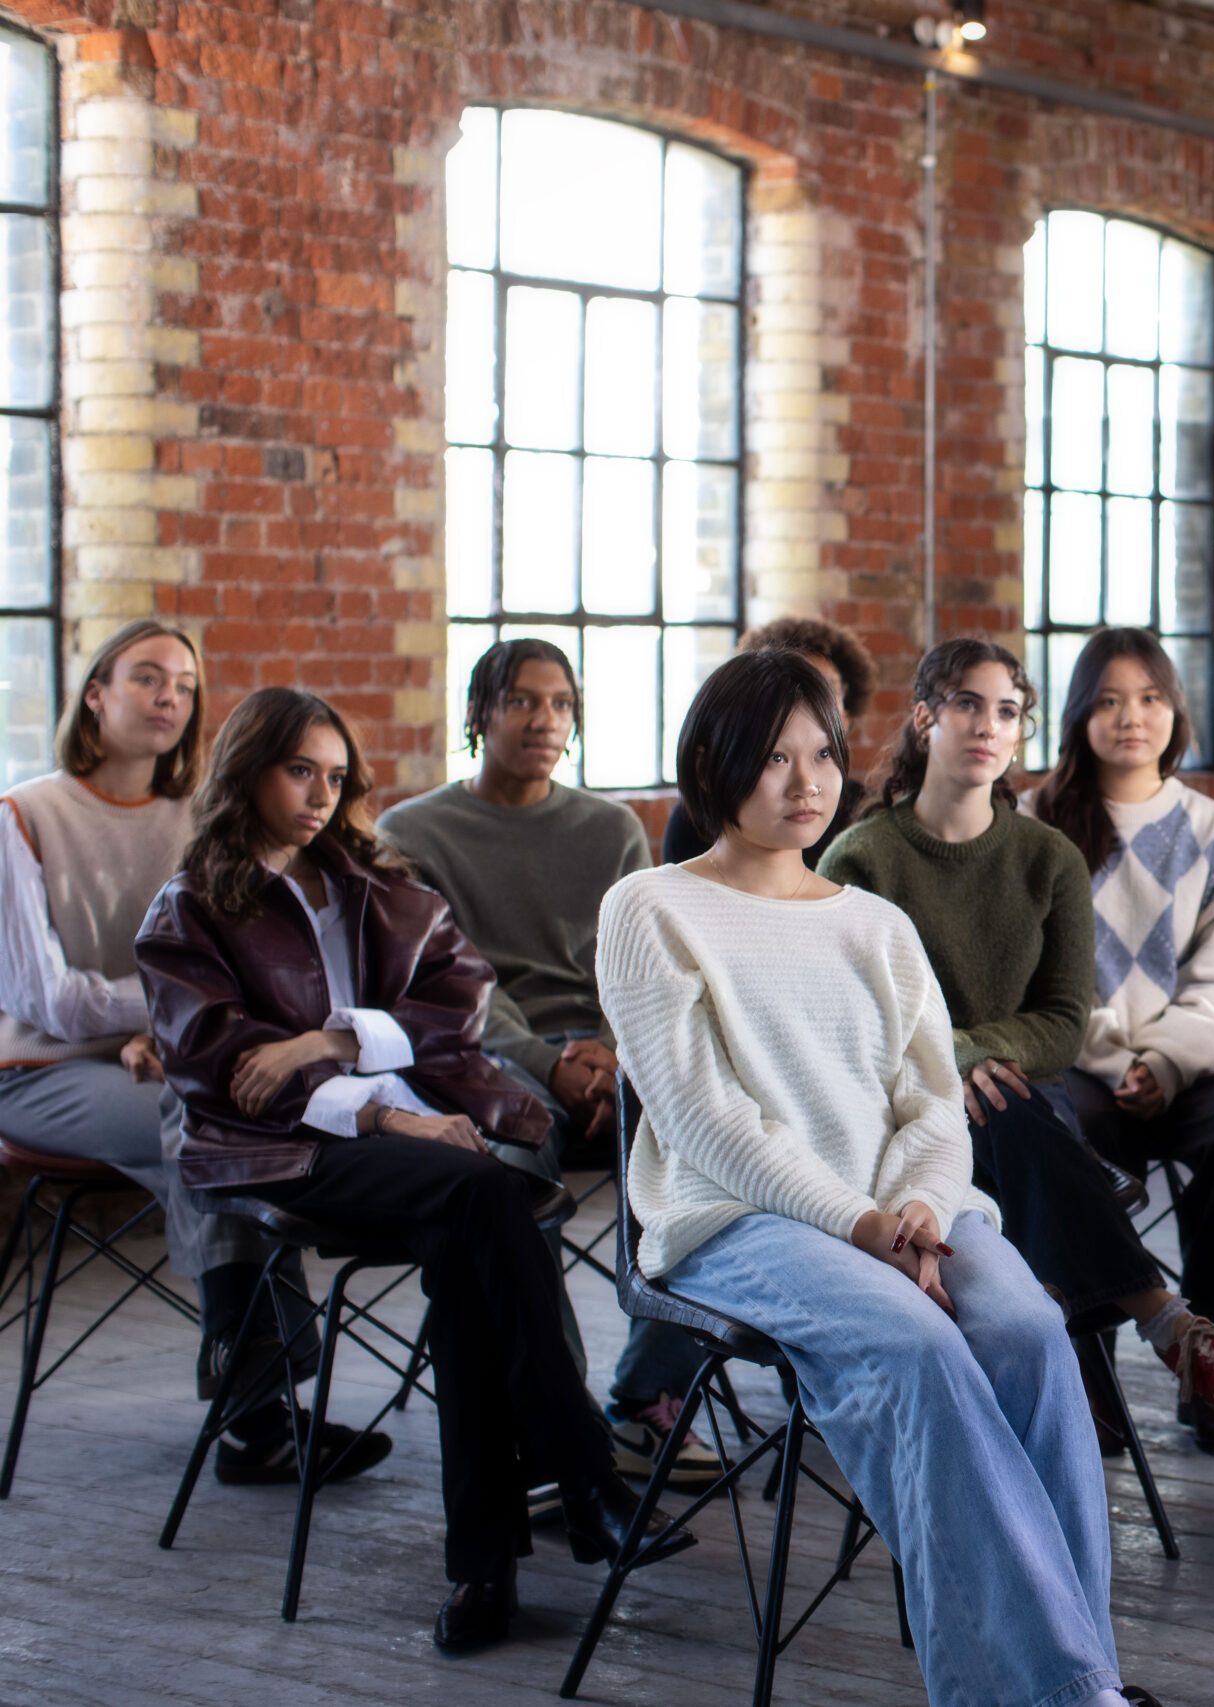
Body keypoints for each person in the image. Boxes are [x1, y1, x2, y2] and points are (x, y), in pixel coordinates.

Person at [598, 650, 1162, 1707]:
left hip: (902, 1210)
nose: (804, 782)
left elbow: (929, 1105)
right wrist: (861, 1224)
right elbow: (703, 1121)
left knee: (1031, 1334)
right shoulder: (651, 907)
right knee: (914, 1345)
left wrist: (917, 1206)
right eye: (771, 758)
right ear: (713, 767)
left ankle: (1082, 1680)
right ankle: (1063, 1694)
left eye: (819, 753)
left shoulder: (872, 923)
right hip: (741, 1220)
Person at [135, 687, 677, 1653]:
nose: (319, 794)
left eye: (335, 776)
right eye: (299, 768)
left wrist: (331, 1039)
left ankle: (484, 1569)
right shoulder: (188, 914)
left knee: (470, 1252)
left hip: (412, 1144)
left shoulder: (370, 881)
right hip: (287, 1153)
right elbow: (227, 1075)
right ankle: (585, 1474)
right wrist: (381, 1105)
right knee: (485, 1193)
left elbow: (458, 1000)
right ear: (247, 770)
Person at [816, 638, 1214, 1445]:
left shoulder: (1046, 856)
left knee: (1017, 1107)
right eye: (966, 703)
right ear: (924, 718)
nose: (987, 726)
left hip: (1020, 1094)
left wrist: (983, 1061)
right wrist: (956, 1061)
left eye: (1005, 710)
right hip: (893, 1100)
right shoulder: (863, 856)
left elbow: (1063, 1019)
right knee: (1018, 1110)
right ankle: (1166, 1324)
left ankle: (1092, 1366)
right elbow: (853, 1021)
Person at [0, 621, 350, 1482]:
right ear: (95, 693)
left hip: (162, 1059)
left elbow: (240, 967)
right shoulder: (23, 815)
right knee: (203, 1126)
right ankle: (257, 1408)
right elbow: (43, 996)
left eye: (185, 686)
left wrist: (179, 1028)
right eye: (147, 677)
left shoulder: (202, 819)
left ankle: (250, 1396)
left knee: (215, 1115)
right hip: (37, 1071)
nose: (169, 698)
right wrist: (171, 1013)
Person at [378, 638, 715, 1489]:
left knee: (716, 1141)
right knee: (510, 1167)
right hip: (485, 1051)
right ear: (478, 714)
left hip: (611, 1046)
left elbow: (642, 962)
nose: (544, 720)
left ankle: (645, 1397)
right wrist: (547, 1060)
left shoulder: (607, 830)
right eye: (522, 701)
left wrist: (614, 1054)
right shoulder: (412, 832)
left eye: (560, 702)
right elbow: (438, 982)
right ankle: (555, 1422)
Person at [1032, 627, 1214, 1456]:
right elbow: (1033, 972)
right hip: (1076, 1059)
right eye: (1107, 699)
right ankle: (1091, 1374)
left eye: (1147, 697)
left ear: (1176, 709)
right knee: (1071, 1141)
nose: (1129, 716)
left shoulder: (1208, 828)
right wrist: (1116, 1059)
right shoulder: (1036, 821)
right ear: (1078, 715)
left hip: (1182, 1061)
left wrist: (1168, 1059)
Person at [659, 615, 877, 866]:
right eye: (776, 758)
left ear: (845, 717)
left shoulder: (865, 810)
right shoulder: (691, 825)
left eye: (825, 690)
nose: (807, 704)